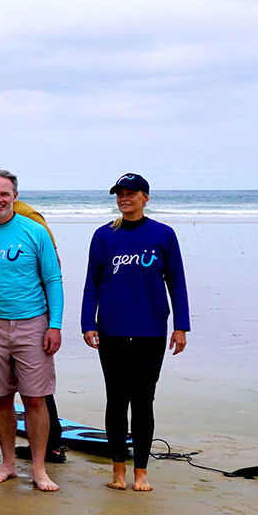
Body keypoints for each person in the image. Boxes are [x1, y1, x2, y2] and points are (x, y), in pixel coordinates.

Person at [80, 173, 190, 492]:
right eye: (120, 194)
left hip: (150, 331)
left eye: (131, 193)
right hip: (111, 331)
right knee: (116, 400)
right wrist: (88, 322)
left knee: (143, 400)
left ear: (145, 198)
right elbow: (92, 284)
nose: (124, 198)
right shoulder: (103, 236)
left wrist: (181, 326)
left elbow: (177, 283)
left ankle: (141, 470)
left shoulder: (163, 235)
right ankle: (118, 470)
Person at [0, 169, 64, 492]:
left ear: (15, 197)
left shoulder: (34, 232)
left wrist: (55, 325)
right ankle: (7, 463)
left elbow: (53, 280)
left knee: (36, 399)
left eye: (4, 194)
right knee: (1, 398)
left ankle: (38, 468)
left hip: (32, 324)